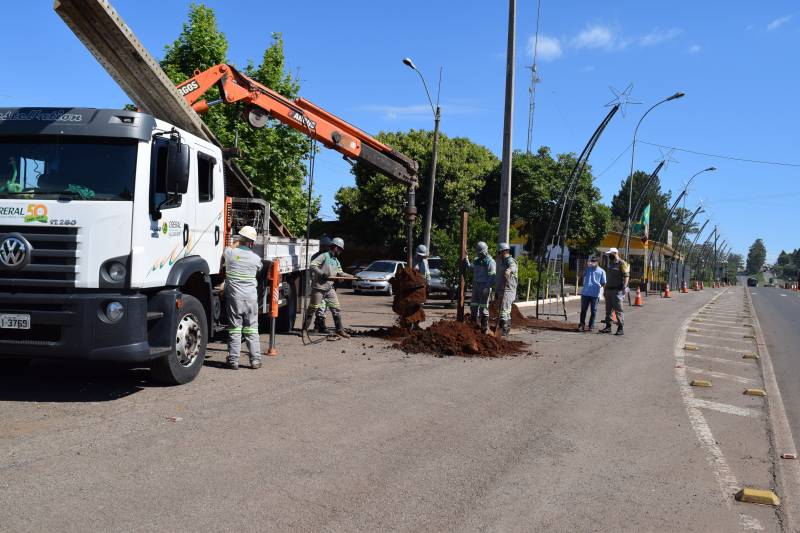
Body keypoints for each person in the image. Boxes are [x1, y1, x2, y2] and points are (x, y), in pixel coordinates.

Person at [223, 226, 264, 369]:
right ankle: (255, 360)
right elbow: (259, 269)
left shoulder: (230, 253)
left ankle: (233, 360)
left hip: (235, 298)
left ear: (239, 239)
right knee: (252, 329)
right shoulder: (256, 259)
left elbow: (228, 249)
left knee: (235, 328)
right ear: (252, 243)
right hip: (251, 298)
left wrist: (236, 242)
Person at [304, 237, 349, 340]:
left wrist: (352, 276)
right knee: (313, 308)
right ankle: (304, 330)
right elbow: (313, 265)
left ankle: (339, 329)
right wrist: (322, 273)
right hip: (319, 287)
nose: (341, 252)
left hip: (330, 288)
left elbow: (340, 273)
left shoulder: (336, 260)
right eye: (340, 249)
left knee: (336, 308)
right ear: (336, 248)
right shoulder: (324, 256)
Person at [463, 241, 496, 334]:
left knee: (483, 307)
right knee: (473, 305)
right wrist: (467, 259)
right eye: (478, 253)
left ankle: (484, 327)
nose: (479, 254)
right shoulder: (477, 260)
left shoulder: (490, 262)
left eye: (481, 253)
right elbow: (470, 268)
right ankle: (474, 325)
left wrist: (487, 287)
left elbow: (492, 276)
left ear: (485, 251)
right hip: (476, 285)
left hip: (484, 286)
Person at [599, 247, 629, 336]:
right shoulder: (610, 263)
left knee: (618, 310)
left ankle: (620, 328)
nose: (609, 256)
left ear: (615, 253)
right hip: (609, 289)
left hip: (617, 290)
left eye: (610, 254)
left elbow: (626, 276)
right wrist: (605, 289)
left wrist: (624, 287)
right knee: (608, 309)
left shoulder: (622, 263)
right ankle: (608, 327)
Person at [310, 235, 332, 333]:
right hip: (318, 285)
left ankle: (320, 324)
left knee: (323, 305)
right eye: (324, 246)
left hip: (327, 285)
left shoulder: (329, 257)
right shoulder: (316, 257)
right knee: (318, 305)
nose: (326, 248)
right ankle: (318, 325)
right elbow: (313, 271)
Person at [578, 255, 606, 332]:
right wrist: (585, 267)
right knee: (583, 310)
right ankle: (581, 325)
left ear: (597, 262)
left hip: (595, 294)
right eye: (591, 261)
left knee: (593, 311)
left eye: (594, 261)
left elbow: (604, 282)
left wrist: (599, 287)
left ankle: (591, 325)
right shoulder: (587, 269)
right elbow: (580, 275)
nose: (592, 262)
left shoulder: (602, 271)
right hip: (585, 293)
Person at [495, 242, 518, 336]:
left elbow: (513, 267)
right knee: (504, 311)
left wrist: (509, 270)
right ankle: (504, 329)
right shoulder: (502, 261)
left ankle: (503, 330)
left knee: (504, 310)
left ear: (504, 252)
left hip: (508, 290)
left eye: (499, 252)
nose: (498, 254)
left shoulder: (510, 261)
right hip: (502, 289)